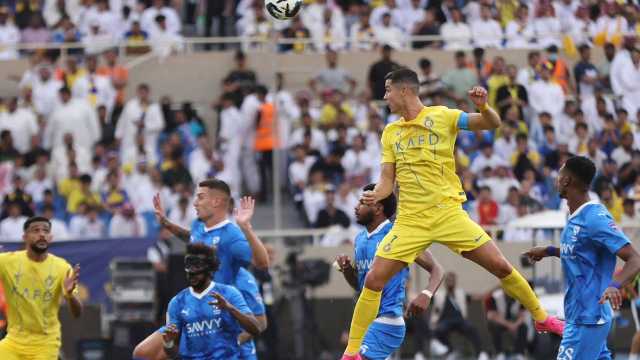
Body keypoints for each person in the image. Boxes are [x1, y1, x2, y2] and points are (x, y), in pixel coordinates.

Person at [342, 68, 563, 359]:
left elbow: (491, 123)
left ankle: (540, 316)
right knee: (372, 280)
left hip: (449, 214)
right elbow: (386, 179)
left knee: (501, 266)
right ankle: (352, 353)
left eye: (387, 90)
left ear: (405, 90)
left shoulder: (443, 116)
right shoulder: (390, 132)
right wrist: (377, 193)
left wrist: (483, 106)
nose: (385, 97)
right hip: (411, 221)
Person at [524, 156, 640, 359]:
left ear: (566, 181)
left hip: (587, 320)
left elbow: (634, 258)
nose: (556, 179)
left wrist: (614, 285)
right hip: (581, 317)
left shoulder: (594, 218)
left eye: (559, 174)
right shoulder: (575, 216)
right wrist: (550, 251)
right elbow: (581, 254)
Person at [336, 183, 444, 360]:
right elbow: (361, 286)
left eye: (362, 203)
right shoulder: (360, 238)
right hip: (366, 321)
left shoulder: (398, 234)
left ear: (378, 208)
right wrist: (347, 270)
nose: (356, 207)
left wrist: (426, 293)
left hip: (388, 320)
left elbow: (437, 269)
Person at [0, 216, 82, 359]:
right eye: (36, 230)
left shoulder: (62, 268)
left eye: (46, 231)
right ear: (25, 237)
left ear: (50, 237)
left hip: (45, 343)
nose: (42, 234)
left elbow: (77, 313)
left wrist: (70, 295)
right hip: (13, 341)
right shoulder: (7, 261)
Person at [161, 243, 260, 359]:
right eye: (189, 267)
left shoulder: (229, 293)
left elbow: (256, 328)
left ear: (210, 269)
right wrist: (168, 343)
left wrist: (230, 308)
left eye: (197, 267)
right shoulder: (177, 302)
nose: (191, 272)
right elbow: (172, 354)